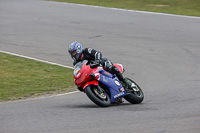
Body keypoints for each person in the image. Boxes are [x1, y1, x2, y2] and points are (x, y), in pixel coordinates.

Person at [68, 41, 135, 91]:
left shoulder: (86, 51)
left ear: (78, 49)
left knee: (109, 67)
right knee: (80, 87)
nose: (73, 55)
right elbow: (78, 70)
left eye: (74, 52)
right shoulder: (75, 63)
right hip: (92, 71)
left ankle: (126, 81)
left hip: (101, 63)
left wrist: (97, 61)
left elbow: (98, 53)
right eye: (72, 53)